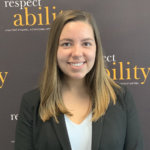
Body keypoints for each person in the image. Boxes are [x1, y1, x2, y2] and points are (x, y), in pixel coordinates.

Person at [15, 10, 143, 150]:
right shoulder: (32, 103)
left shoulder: (121, 98)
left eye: (86, 43)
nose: (77, 53)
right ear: (54, 50)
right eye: (66, 44)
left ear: (96, 48)